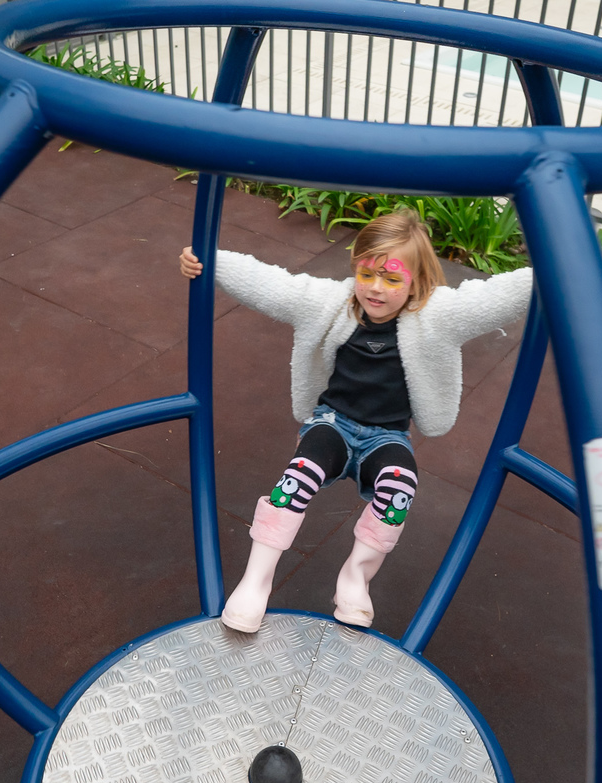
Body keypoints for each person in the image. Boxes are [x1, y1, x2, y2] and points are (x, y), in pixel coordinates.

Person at [180, 208, 533, 632]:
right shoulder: (330, 304)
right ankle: (256, 581)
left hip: (385, 437)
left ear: (416, 281)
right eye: (367, 275)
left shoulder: (437, 316)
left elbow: (490, 299)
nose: (376, 289)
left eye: (392, 278)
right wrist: (209, 260)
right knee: (298, 476)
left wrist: (550, 271)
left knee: (400, 487)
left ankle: (355, 577)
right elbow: (271, 285)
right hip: (332, 424)